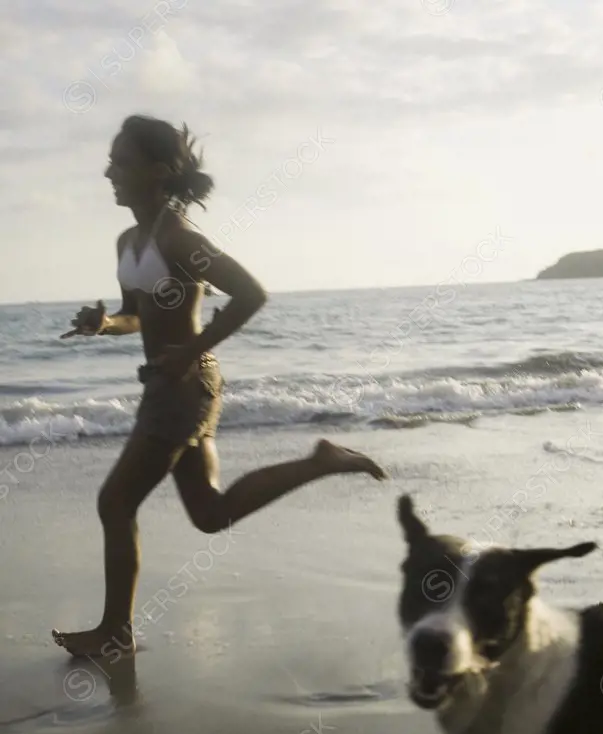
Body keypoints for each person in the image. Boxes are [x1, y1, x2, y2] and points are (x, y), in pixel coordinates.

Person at [52, 114, 386, 658]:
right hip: (170, 387)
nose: (109, 170)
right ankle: (321, 461)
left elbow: (252, 293)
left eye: (120, 161)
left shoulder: (182, 240)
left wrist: (190, 348)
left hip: (186, 387)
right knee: (209, 513)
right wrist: (104, 323)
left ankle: (116, 632)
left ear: (158, 172)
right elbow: (136, 314)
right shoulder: (128, 241)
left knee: (115, 502)